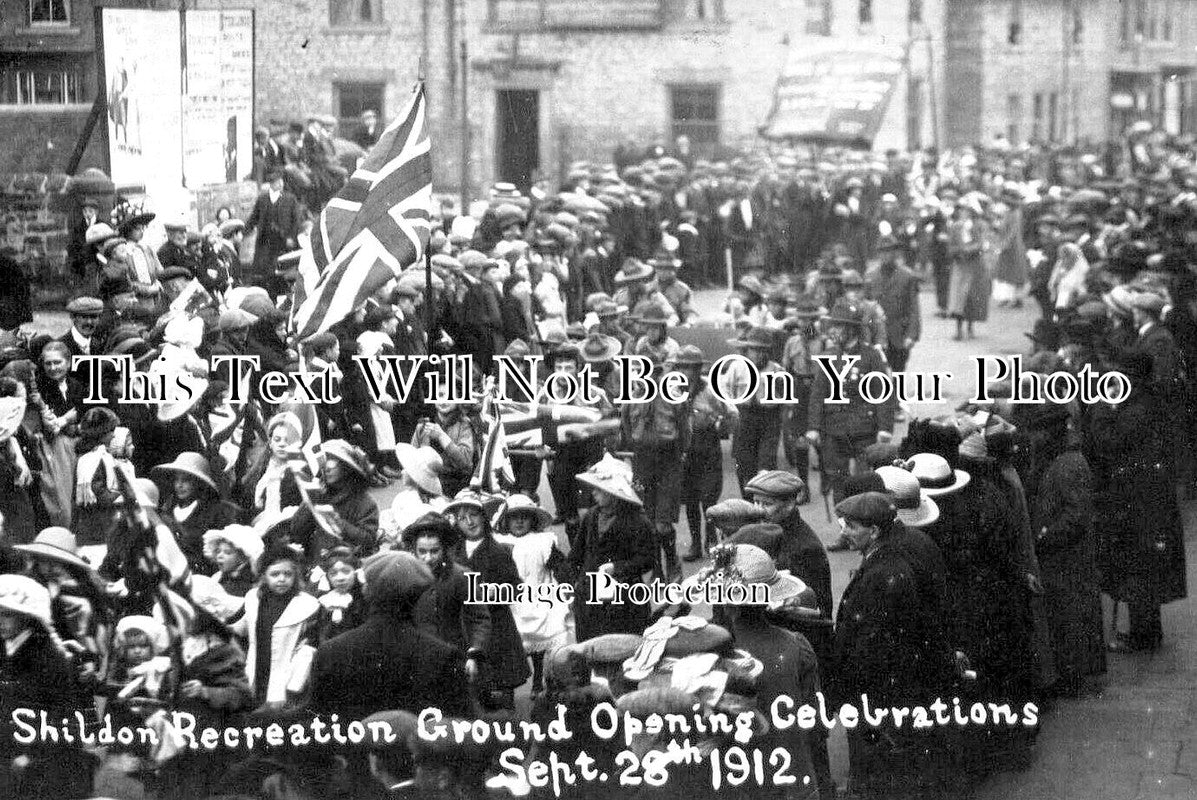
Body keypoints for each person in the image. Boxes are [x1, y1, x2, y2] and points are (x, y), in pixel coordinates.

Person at [309, 549, 470, 796]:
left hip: (354, 779)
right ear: (419, 596)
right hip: (422, 780)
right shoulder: (442, 654)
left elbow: (319, 724)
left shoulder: (331, 651)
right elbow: (458, 726)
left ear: (366, 591)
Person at [829, 492, 955, 799]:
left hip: (881, 693)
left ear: (874, 531)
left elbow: (873, 648)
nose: (843, 531)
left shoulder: (883, 575)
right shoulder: (889, 558)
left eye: (851, 526)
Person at [445, 488, 530, 710]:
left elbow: (516, 588)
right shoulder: (453, 552)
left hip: (496, 627)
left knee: (500, 691)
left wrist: (497, 592)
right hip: (466, 627)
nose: (469, 522)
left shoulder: (497, 551)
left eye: (473, 515)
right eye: (462, 518)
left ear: (483, 517)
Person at [806, 299, 896, 500]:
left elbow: (883, 393)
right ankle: (843, 518)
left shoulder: (872, 356)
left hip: (864, 430)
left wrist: (885, 428)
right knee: (838, 481)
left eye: (838, 326)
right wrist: (813, 427)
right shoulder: (828, 356)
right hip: (834, 430)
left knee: (866, 482)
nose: (833, 331)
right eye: (832, 326)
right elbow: (818, 394)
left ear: (851, 329)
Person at [568, 454, 656, 641]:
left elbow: (647, 560)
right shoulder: (591, 516)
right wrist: (573, 585)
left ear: (613, 492)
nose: (593, 493)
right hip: (589, 596)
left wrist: (617, 567)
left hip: (624, 599)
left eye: (599, 489)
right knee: (589, 646)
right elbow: (576, 555)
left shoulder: (638, 521)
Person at [492, 494, 572, 693]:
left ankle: (539, 676)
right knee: (511, 641)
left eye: (524, 517)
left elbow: (560, 566)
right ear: (506, 520)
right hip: (512, 599)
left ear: (533, 520)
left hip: (540, 595)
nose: (519, 522)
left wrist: (567, 585)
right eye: (514, 517)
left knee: (543, 636)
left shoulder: (543, 541)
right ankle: (509, 686)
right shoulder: (500, 542)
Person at [231, 545, 319, 708]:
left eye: (287, 574)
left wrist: (292, 686)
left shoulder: (306, 605)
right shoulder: (254, 599)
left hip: (285, 678)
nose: (281, 579)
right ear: (264, 576)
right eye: (275, 574)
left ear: (295, 575)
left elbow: (307, 650)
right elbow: (241, 627)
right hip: (256, 670)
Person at [287, 439, 380, 560]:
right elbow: (296, 533)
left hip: (349, 561)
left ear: (346, 467)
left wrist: (337, 522)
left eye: (333, 462)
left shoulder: (365, 502)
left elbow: (368, 540)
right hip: (318, 560)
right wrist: (310, 502)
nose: (327, 468)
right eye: (324, 462)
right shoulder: (319, 495)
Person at [866, 234, 922, 372]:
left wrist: (911, 335)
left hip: (899, 337)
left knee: (897, 374)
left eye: (889, 251)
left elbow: (914, 308)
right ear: (878, 254)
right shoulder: (870, 277)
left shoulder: (907, 277)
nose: (886, 255)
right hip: (876, 337)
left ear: (896, 253)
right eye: (883, 251)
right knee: (877, 377)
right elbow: (865, 308)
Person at [244, 171, 304, 290]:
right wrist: (245, 231)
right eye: (277, 182)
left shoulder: (290, 199)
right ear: (271, 184)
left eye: (281, 181)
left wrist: (291, 238)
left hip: (283, 242)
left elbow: (296, 221)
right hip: (265, 242)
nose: (281, 184)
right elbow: (254, 217)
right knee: (264, 273)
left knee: (282, 271)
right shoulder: (262, 199)